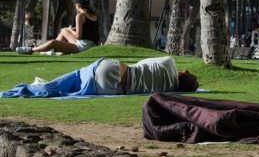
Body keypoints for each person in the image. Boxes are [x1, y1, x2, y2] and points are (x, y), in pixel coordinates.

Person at [0, 56, 199, 98]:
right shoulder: (170, 91)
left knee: (71, 79)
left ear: (185, 72)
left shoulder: (169, 63)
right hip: (111, 89)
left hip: (111, 70)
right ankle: (30, 91)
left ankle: (22, 90)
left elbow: (140, 64)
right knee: (66, 89)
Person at [16, 0, 99, 55]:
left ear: (77, 5)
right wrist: (69, 29)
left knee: (53, 42)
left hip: (82, 47)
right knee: (64, 30)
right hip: (90, 45)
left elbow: (78, 36)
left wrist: (70, 30)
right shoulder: (94, 16)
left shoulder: (79, 16)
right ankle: (51, 51)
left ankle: (31, 50)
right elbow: (89, 31)